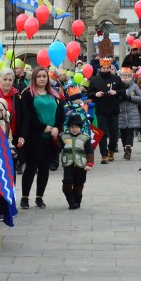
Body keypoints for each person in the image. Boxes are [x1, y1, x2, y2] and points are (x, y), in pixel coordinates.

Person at [17, 66, 64, 209]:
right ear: (34, 78)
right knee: (31, 167)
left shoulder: (54, 95)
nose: (42, 79)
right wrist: (43, 126)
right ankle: (25, 198)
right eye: (39, 76)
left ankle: (39, 197)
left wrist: (56, 127)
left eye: (44, 76)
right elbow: (28, 115)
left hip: (50, 137)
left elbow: (60, 114)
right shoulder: (27, 94)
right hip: (34, 136)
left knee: (44, 168)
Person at [87, 58, 125, 164]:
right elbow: (89, 93)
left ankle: (111, 150)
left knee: (114, 133)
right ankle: (104, 155)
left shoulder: (116, 79)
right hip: (101, 110)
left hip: (113, 110)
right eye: (104, 68)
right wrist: (96, 94)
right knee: (102, 133)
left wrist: (116, 92)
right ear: (100, 68)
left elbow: (123, 91)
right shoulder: (95, 80)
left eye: (107, 67)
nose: (106, 69)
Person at [60, 114, 94, 210]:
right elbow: (58, 147)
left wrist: (89, 164)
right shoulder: (64, 137)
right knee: (67, 183)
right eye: (72, 127)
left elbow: (90, 152)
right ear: (69, 128)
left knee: (79, 184)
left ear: (80, 127)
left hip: (81, 166)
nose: (74, 129)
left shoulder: (85, 138)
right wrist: (55, 139)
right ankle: (71, 202)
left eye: (76, 127)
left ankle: (77, 201)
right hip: (68, 165)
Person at [118, 68, 141, 160]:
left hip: (132, 112)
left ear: (130, 76)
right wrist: (119, 98)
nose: (125, 77)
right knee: (123, 132)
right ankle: (125, 148)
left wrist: (129, 98)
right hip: (120, 112)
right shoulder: (117, 86)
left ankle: (128, 149)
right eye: (123, 75)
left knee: (129, 131)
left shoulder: (134, 86)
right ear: (120, 76)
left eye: (127, 75)